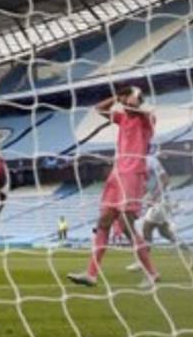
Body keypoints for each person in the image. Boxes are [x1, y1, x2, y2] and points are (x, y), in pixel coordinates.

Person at [68, 86, 159, 288]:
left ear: (136, 98)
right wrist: (117, 97)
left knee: (127, 225)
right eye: (123, 97)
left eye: (127, 97)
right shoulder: (123, 118)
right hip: (116, 174)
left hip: (133, 174)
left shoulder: (146, 120)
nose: (124, 101)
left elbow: (141, 110)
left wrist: (134, 96)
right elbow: (99, 109)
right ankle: (91, 274)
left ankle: (151, 272)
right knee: (103, 221)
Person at [125, 150, 193, 272]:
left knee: (146, 228)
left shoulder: (150, 160)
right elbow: (146, 185)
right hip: (160, 201)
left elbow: (165, 180)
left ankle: (142, 262)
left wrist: (155, 195)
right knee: (164, 233)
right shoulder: (138, 163)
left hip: (162, 201)